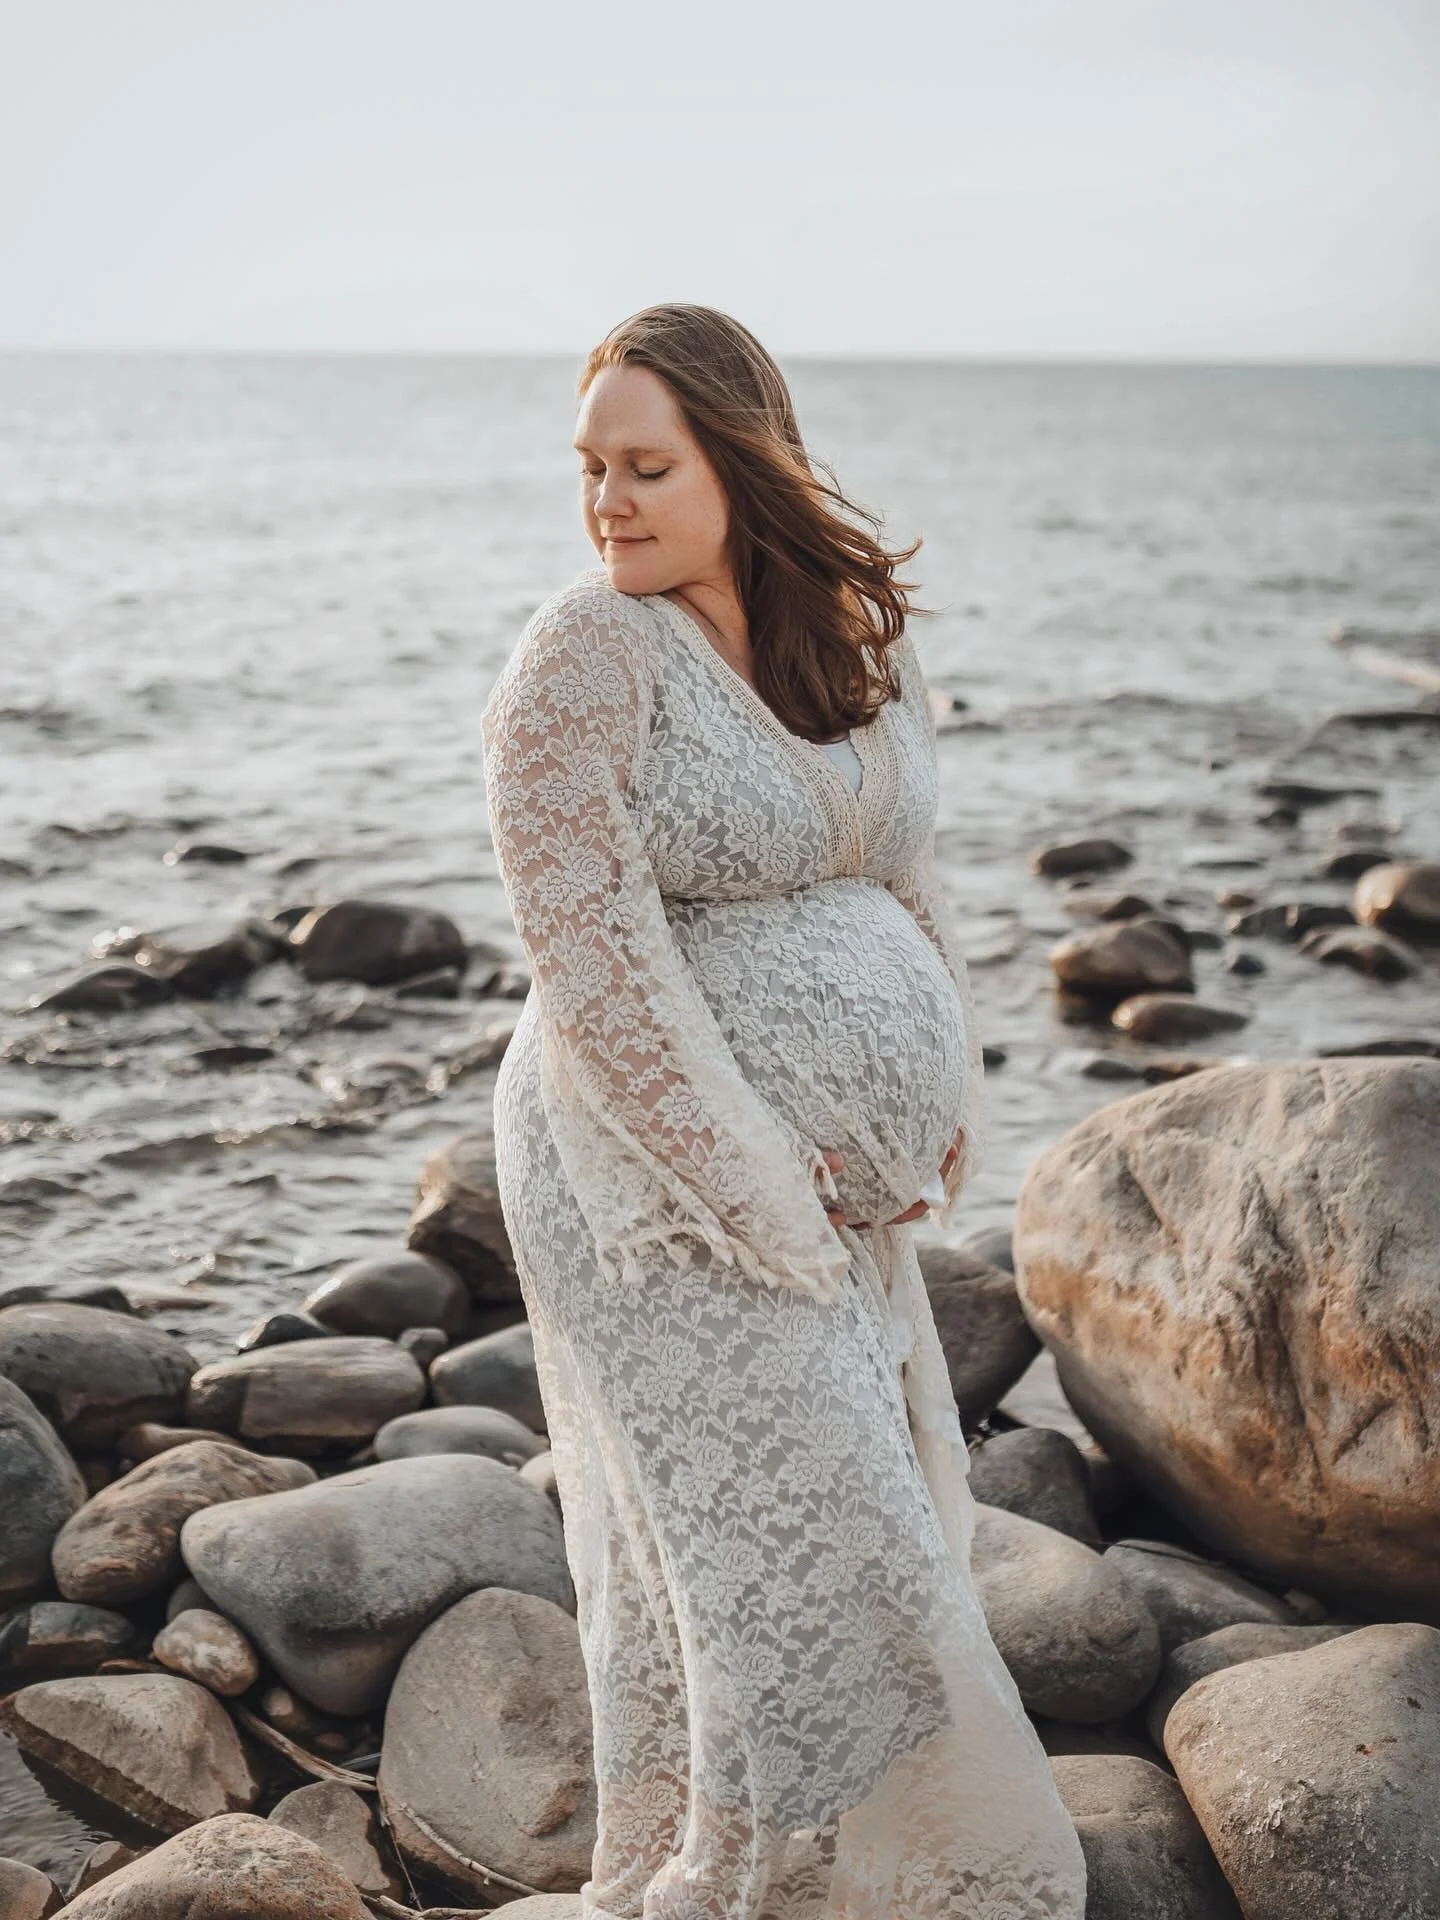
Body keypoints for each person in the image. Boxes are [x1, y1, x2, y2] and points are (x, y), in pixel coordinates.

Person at [481, 304, 1086, 1919]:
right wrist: (754, 1175)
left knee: (849, 1532)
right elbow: (588, 951)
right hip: (639, 1172)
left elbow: (903, 870)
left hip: (831, 1184)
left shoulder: (853, 641)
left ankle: (804, 1873)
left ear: (744, 466)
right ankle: (741, 1881)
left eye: (645, 465)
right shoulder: (587, 653)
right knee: (782, 1546)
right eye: (589, 467)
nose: (606, 500)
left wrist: (941, 1083)